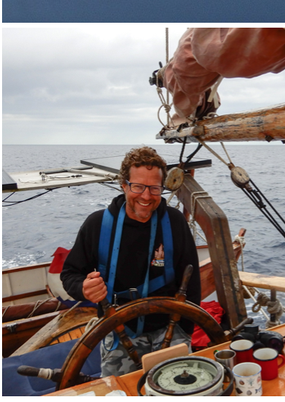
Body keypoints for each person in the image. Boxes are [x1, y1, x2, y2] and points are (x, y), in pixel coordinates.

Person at [61, 147, 201, 377]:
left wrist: (185, 332)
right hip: (117, 330)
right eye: (138, 187)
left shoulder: (174, 222)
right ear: (124, 185)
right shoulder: (97, 225)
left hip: (170, 327)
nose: (146, 196)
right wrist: (83, 288)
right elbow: (70, 274)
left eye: (154, 188)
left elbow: (192, 283)